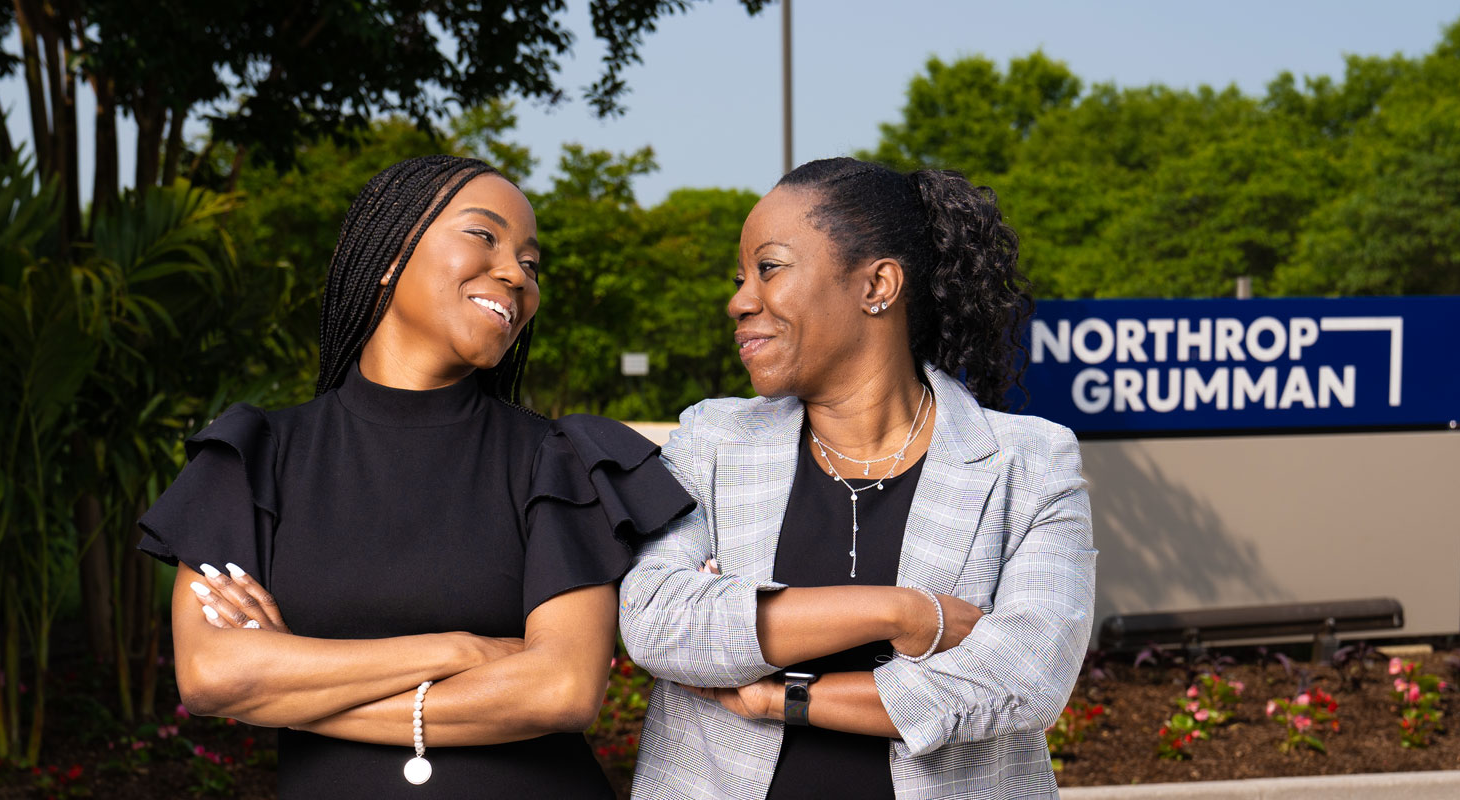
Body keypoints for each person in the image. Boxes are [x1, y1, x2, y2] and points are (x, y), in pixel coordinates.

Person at [137, 155, 692, 798]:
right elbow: (213, 675)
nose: (516, 274)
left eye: (531, 264)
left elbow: (559, 690)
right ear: (388, 257)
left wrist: (292, 685)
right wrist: (462, 650)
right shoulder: (255, 456)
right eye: (483, 236)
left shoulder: (558, 458)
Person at [619, 157, 1095, 800]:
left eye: (769, 267)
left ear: (878, 285)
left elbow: (1027, 676)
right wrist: (902, 612)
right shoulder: (715, 440)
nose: (739, 300)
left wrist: (781, 698)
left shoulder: (1027, 461)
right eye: (740, 277)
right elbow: (657, 621)